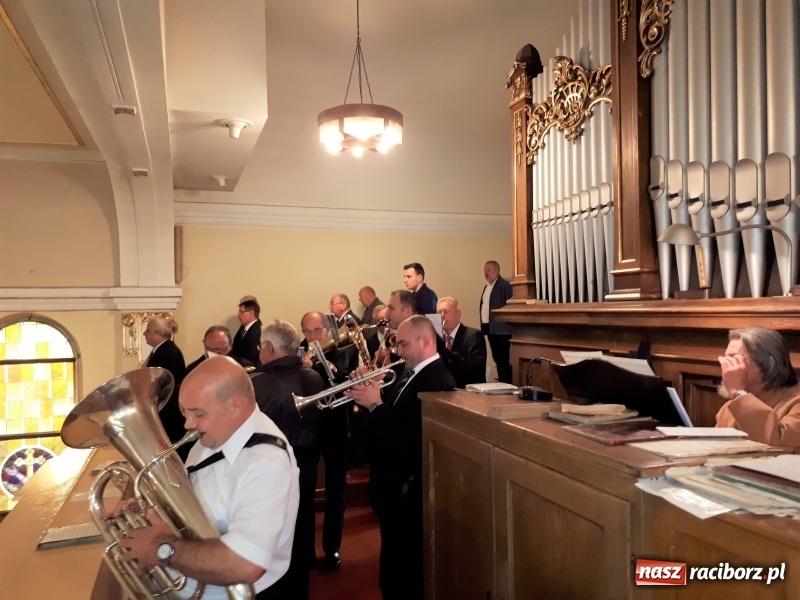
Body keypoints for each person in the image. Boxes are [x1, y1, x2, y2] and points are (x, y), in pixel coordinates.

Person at [118, 356, 300, 599]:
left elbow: (244, 564)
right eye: (185, 412)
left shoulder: (266, 464)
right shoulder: (212, 436)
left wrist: (160, 548)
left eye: (197, 413)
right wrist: (152, 508)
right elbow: (195, 501)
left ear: (235, 406)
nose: (188, 424)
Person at [349, 315, 455, 600]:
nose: (398, 351)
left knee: (403, 575)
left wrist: (375, 405)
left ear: (426, 341)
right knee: (392, 570)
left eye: (404, 344)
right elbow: (390, 420)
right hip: (391, 488)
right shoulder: (411, 374)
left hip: (407, 493)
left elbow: (408, 441)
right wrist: (369, 393)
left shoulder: (438, 380)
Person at [251, 319, 325, 598]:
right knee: (302, 525)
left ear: (269, 347)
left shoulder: (254, 385)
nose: (259, 352)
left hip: (268, 472)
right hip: (307, 467)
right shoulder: (315, 378)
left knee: (273, 535)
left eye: (261, 347)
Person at [299, 311, 352, 571]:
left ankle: (332, 550)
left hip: (335, 430)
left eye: (317, 331)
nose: (313, 337)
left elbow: (342, 379)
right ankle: (305, 550)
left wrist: (316, 367)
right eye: (307, 332)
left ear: (328, 330)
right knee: (304, 494)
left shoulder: (341, 350)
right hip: (308, 433)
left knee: (335, 493)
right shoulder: (299, 353)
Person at [716, 327, 800, 447]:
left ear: (769, 365)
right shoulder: (730, 406)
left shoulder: (796, 402)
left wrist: (738, 392)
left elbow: (779, 442)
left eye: (734, 359)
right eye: (726, 359)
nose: (725, 367)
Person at [143, 316, 187, 446]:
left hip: (168, 411)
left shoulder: (168, 352)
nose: (145, 333)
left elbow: (163, 383)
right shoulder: (162, 350)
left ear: (160, 334)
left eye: (148, 330)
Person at [436, 296, 487, 389]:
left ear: (458, 314)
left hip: (470, 394)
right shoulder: (441, 340)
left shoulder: (473, 335)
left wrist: (447, 353)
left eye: (446, 311)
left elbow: (476, 370)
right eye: (439, 312)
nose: (442, 315)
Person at [480, 260, 514, 383]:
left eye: (488, 270)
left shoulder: (505, 285)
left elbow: (510, 306)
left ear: (497, 270)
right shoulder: (487, 287)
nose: (485, 272)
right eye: (485, 270)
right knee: (497, 358)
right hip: (490, 328)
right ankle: (502, 383)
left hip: (502, 330)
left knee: (503, 360)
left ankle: (506, 384)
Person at [185, 325, 254, 375]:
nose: (217, 354)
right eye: (211, 350)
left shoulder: (245, 366)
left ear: (231, 345)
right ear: (204, 345)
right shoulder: (193, 370)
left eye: (223, 349)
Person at [231, 297, 263, 366]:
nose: (238, 315)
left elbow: (251, 359)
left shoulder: (257, 332)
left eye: (241, 312)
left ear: (251, 313)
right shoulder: (243, 328)